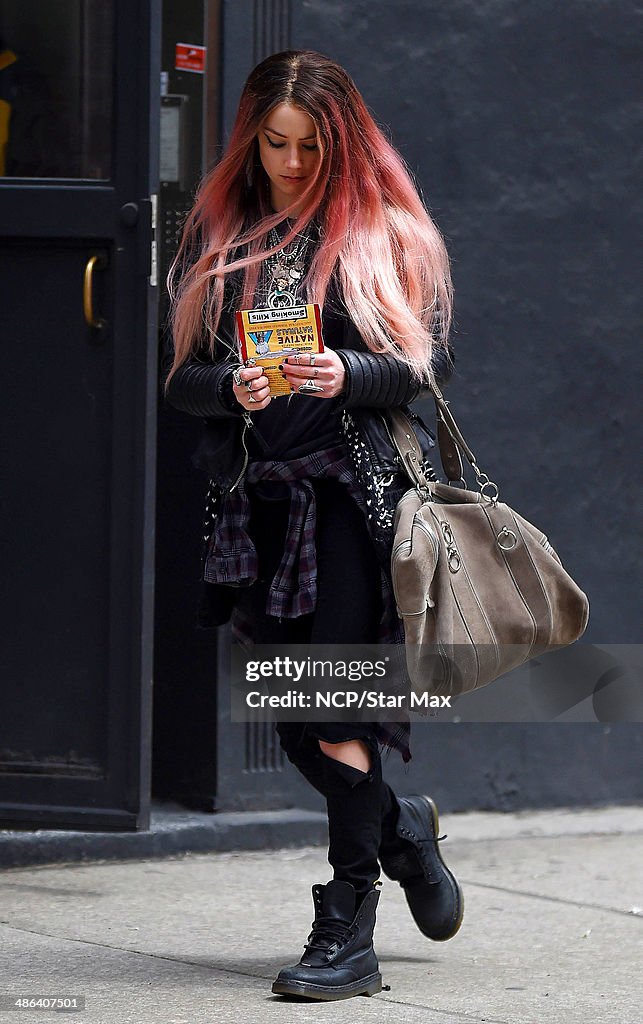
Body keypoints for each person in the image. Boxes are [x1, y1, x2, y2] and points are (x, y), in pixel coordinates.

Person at [162, 49, 463, 1002]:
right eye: (273, 142)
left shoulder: (382, 230)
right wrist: (228, 387)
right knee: (297, 720)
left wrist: (350, 373)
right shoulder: (222, 231)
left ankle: (347, 929)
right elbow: (184, 382)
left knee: (334, 710)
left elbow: (429, 366)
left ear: (342, 142)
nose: (289, 163)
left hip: (352, 504)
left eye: (308, 146)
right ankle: (401, 823)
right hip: (259, 507)